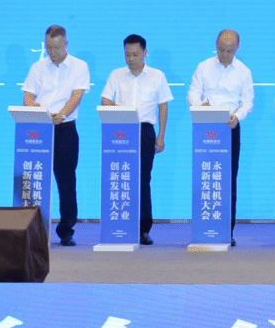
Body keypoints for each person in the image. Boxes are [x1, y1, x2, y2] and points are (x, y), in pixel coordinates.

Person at [101, 34, 173, 246]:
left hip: (145, 131)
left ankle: (143, 229)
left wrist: (161, 136)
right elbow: (105, 100)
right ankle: (119, 224)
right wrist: (123, 109)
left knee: (143, 180)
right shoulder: (116, 75)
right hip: (120, 131)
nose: (130, 59)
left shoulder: (157, 76)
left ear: (144, 53)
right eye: (127, 54)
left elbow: (163, 106)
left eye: (135, 54)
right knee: (120, 177)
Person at [23, 25, 90, 246]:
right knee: (34, 178)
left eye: (56, 47)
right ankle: (31, 228)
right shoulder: (37, 67)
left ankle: (66, 230)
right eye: (48, 47)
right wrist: (36, 109)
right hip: (38, 129)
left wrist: (61, 114)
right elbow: (28, 96)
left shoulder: (79, 66)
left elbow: (76, 96)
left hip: (65, 128)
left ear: (66, 44)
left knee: (66, 180)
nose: (52, 52)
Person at [187, 29, 254, 244]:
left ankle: (227, 231)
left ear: (237, 48)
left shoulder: (243, 71)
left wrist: (237, 116)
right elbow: (192, 93)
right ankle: (202, 229)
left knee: (228, 179)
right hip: (205, 126)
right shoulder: (203, 67)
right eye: (221, 49)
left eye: (229, 51)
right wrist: (200, 105)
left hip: (229, 127)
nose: (224, 54)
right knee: (204, 177)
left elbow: (248, 102)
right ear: (216, 45)